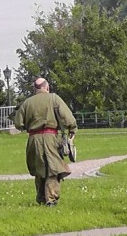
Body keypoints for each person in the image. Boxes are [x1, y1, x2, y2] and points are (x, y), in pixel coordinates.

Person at [12, 77, 78, 207]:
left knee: (39, 169)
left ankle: (41, 197)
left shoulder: (27, 102)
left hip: (33, 139)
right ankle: (51, 200)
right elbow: (68, 117)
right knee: (53, 168)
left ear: (34, 89)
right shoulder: (54, 98)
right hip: (50, 137)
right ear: (47, 87)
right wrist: (73, 129)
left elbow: (18, 124)